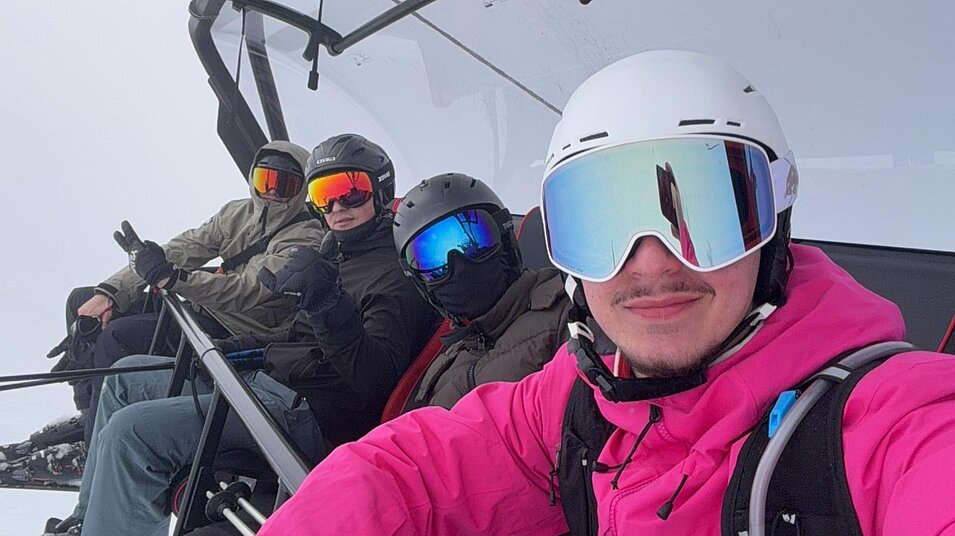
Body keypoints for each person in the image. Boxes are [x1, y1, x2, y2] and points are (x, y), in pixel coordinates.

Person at [257, 51, 955, 535]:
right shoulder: (584, 394)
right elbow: (410, 472)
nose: (649, 263)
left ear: (773, 225)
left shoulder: (883, 428)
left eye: (702, 212)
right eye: (601, 223)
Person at [44, 134, 438, 536]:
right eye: (324, 194)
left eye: (350, 192)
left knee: (130, 434)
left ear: (380, 190)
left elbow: (373, 377)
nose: (337, 208)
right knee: (125, 376)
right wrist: (236, 350)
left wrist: (325, 305)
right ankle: (88, 517)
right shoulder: (338, 253)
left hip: (306, 411)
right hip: (269, 382)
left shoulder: (392, 274)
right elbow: (297, 337)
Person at [2, 141, 323, 493]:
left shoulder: (305, 236)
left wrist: (174, 279)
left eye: (285, 184)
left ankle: (95, 451)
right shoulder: (238, 213)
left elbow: (247, 290)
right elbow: (186, 247)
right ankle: (92, 412)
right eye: (265, 180)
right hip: (201, 309)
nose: (272, 192)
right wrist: (113, 290)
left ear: (301, 190)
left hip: (233, 330)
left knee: (117, 338)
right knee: (81, 300)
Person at [392, 172, 572, 411]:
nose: (457, 264)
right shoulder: (449, 358)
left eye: (474, 243)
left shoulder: (568, 310)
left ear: (505, 240)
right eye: (432, 259)